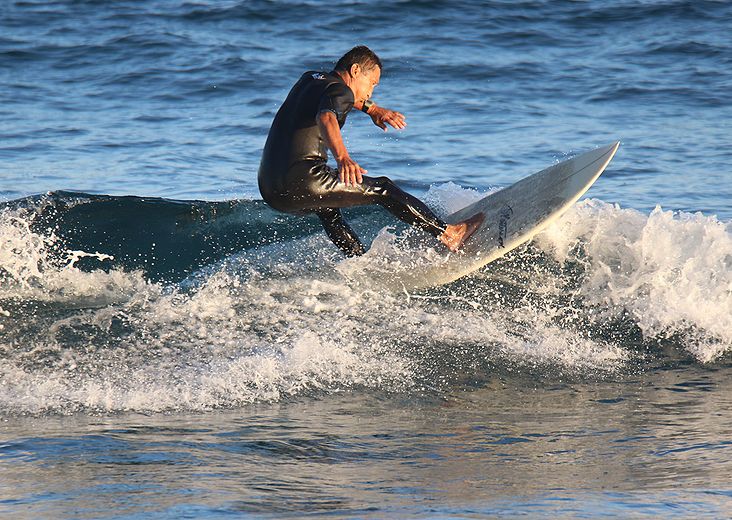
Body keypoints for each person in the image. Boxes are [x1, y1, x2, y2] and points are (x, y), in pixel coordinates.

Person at [258, 45, 483, 257]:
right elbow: (326, 116)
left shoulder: (310, 78)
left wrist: (372, 109)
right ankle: (449, 234)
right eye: (372, 83)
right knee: (384, 189)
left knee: (328, 210)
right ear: (355, 70)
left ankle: (357, 262)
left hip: (271, 188)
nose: (370, 92)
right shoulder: (341, 91)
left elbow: (338, 98)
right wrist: (343, 158)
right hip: (305, 180)